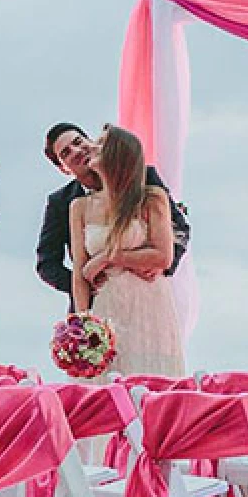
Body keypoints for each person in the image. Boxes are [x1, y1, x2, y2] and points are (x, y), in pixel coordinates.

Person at [70, 126, 185, 377]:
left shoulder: (151, 199)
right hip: (107, 306)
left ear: (117, 154)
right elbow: (80, 271)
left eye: (100, 144)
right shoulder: (79, 207)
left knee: (151, 379)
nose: (91, 147)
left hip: (149, 305)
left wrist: (109, 257)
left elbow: (163, 256)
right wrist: (83, 322)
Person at [35, 121, 188, 307]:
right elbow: (47, 264)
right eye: (66, 153)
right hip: (96, 303)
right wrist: (91, 283)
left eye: (78, 141)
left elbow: (180, 228)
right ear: (63, 168)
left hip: (147, 293)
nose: (76, 151)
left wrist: (158, 266)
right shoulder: (64, 203)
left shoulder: (144, 178)